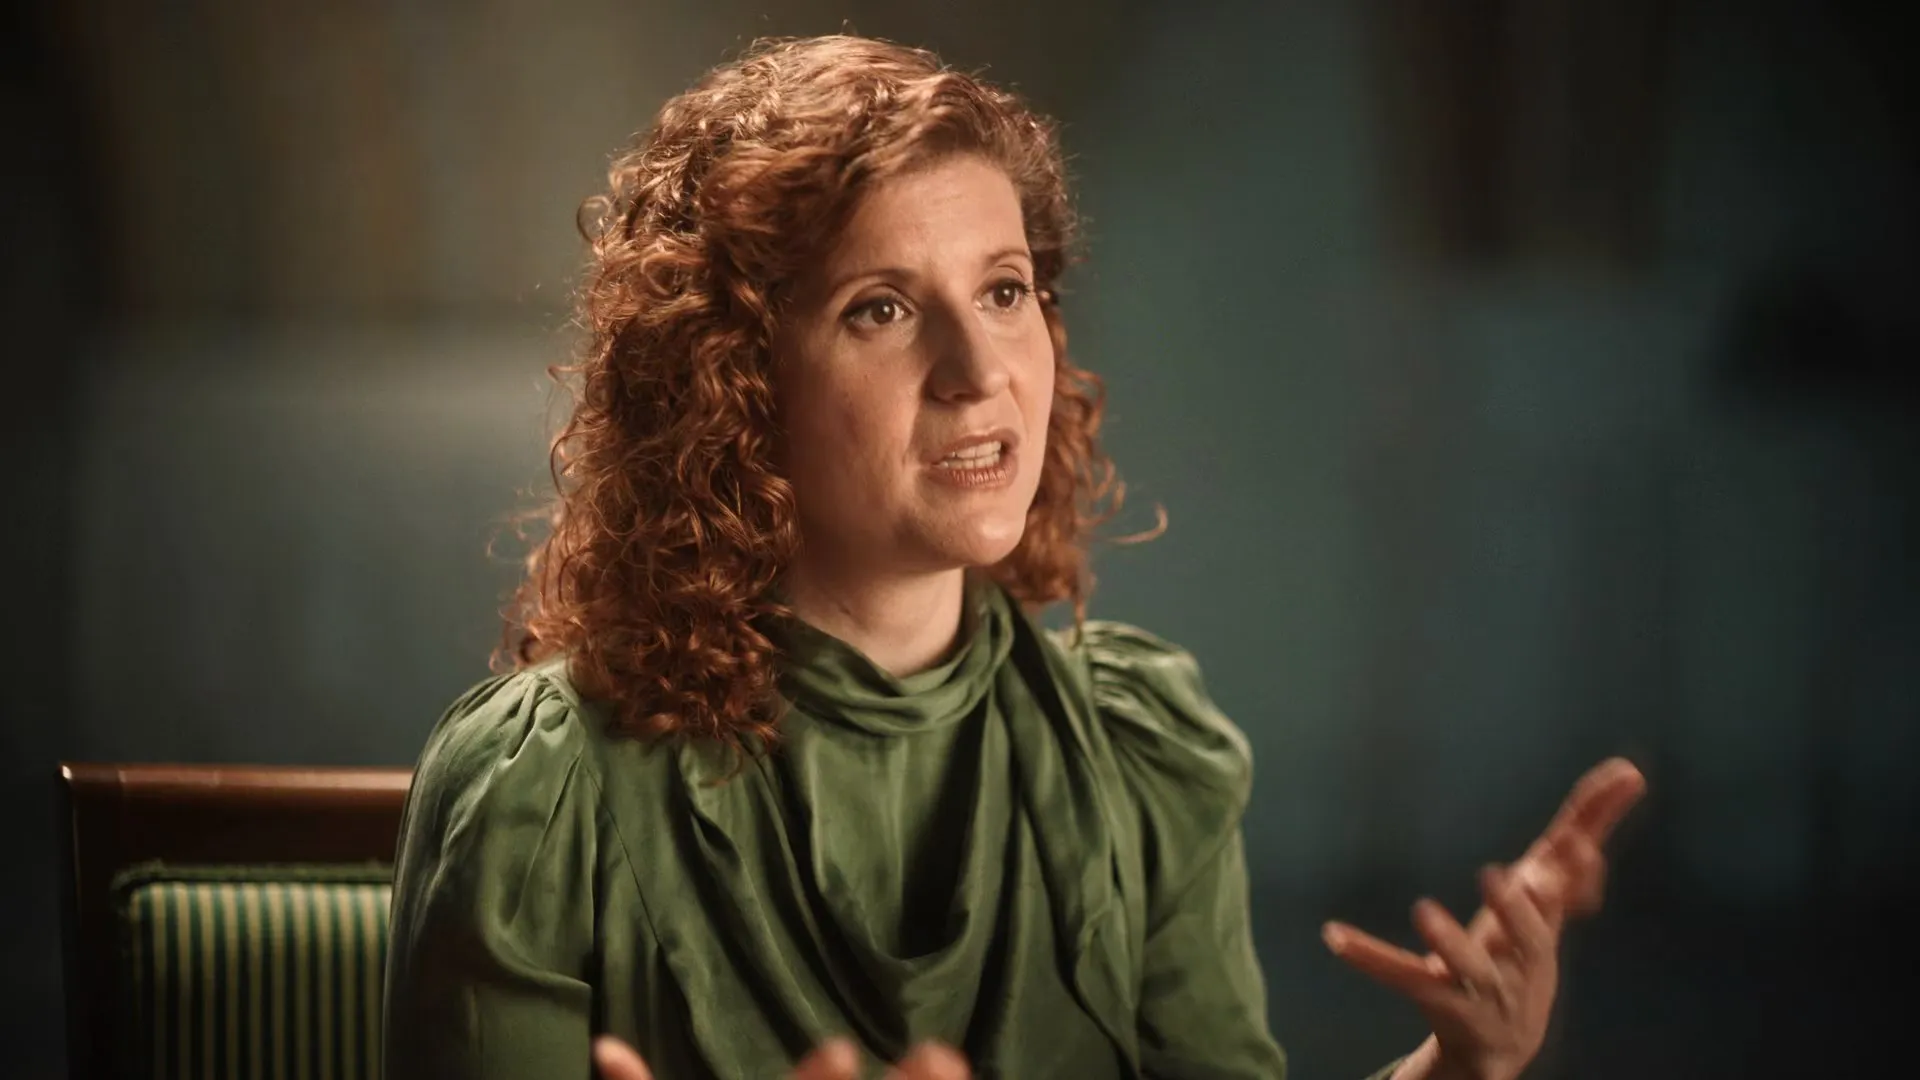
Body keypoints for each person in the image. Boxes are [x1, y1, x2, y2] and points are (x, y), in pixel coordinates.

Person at [382, 33, 1645, 1080]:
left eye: (1005, 289)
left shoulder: (1140, 755)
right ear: (731, 381)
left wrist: (1457, 1065)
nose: (981, 372)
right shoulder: (542, 795)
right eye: (881, 308)